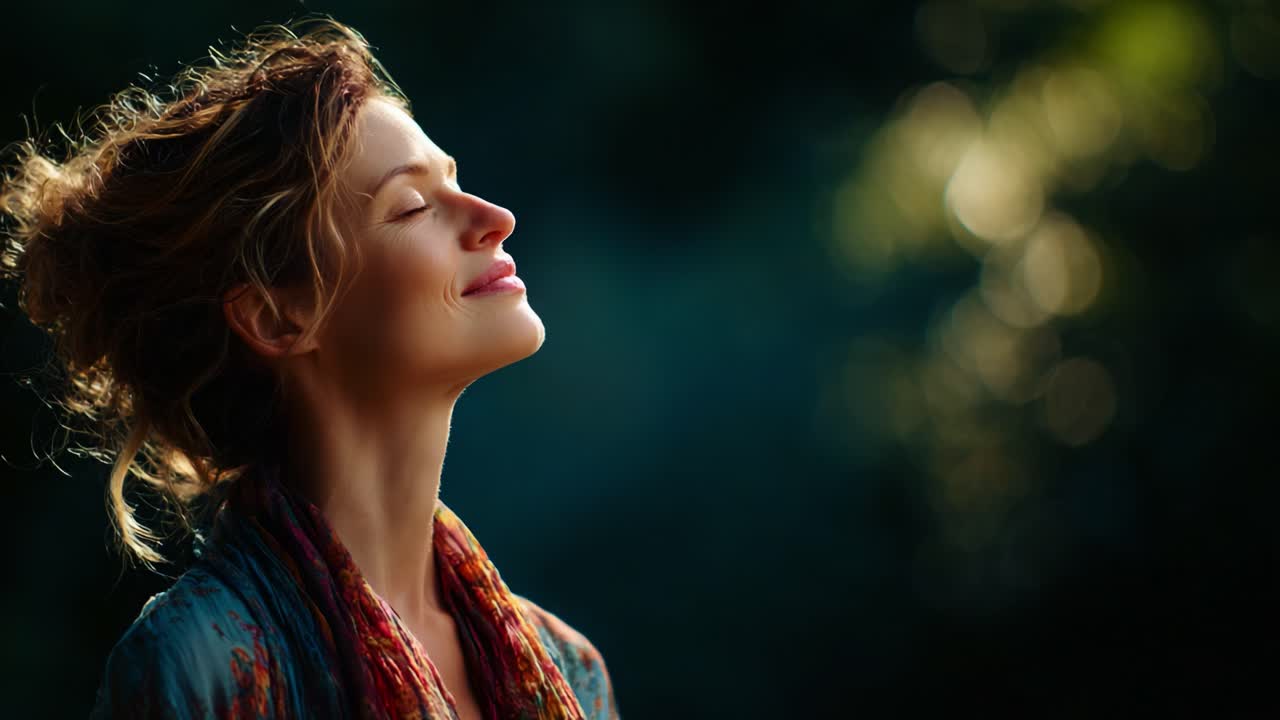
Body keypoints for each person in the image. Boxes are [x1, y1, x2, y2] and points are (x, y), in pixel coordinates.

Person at [0, 16, 620, 720]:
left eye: (456, 181)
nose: (494, 217)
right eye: (413, 206)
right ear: (275, 317)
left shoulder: (569, 669)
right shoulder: (199, 668)